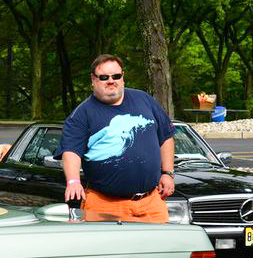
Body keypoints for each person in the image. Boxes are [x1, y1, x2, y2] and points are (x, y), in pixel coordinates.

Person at [60, 54, 175, 223]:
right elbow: (71, 151)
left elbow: (166, 137)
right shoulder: (81, 114)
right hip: (104, 205)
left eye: (116, 76)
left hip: (151, 203)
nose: (111, 81)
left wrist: (167, 173)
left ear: (123, 77)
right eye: (104, 77)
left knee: (159, 248)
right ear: (93, 80)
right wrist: (73, 181)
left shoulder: (144, 100)